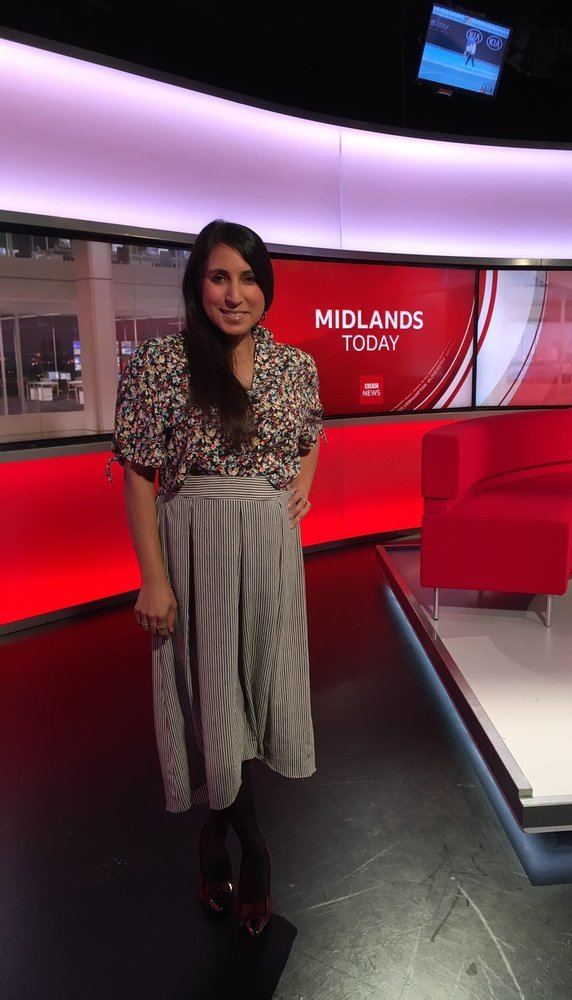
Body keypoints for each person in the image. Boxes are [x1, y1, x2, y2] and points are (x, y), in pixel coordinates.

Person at [105, 219, 325, 936]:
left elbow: (311, 432)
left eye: (249, 278)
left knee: (252, 683)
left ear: (267, 286)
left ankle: (217, 837)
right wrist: (153, 577)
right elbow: (140, 474)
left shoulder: (295, 366)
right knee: (206, 692)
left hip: (266, 548)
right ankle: (248, 846)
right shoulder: (164, 361)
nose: (235, 294)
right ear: (198, 285)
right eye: (220, 277)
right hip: (192, 542)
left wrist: (300, 487)